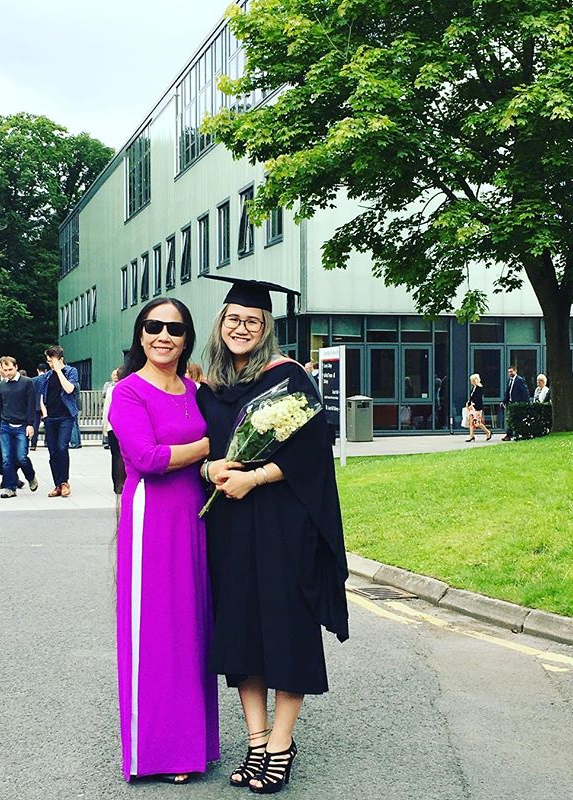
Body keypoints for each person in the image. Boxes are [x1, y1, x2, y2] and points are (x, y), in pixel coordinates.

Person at [197, 276, 349, 794]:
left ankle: (281, 744)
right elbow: (201, 446)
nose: (241, 328)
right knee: (241, 631)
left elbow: (312, 453)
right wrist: (210, 470)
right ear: (221, 323)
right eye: (233, 319)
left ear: (266, 328)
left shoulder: (288, 378)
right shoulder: (211, 387)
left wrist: (255, 477)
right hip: (230, 527)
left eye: (253, 321)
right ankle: (256, 739)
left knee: (285, 628)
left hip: (283, 525)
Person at [108, 298, 219, 784]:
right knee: (155, 629)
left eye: (175, 329)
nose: (163, 337)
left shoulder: (196, 390)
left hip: (195, 518)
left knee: (191, 628)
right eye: (154, 327)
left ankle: (191, 746)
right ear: (140, 334)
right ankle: (158, 752)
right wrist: (207, 446)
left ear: (186, 338)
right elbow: (148, 458)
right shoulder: (128, 392)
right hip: (151, 519)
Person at [0, 356, 38, 498]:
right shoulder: (1, 385)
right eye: (5, 370)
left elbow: (31, 405)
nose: (7, 373)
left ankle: (30, 476)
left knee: (21, 457)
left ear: (16, 367)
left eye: (10, 369)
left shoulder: (27, 383)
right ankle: (10, 487)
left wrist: (30, 424)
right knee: (6, 459)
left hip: (22, 425)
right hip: (5, 425)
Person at [40, 345, 79, 497]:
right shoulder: (47, 376)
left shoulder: (71, 371)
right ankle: (57, 484)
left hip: (66, 416)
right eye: (48, 361)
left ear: (60, 359)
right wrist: (45, 414)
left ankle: (64, 483)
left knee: (62, 447)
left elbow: (69, 389)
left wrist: (58, 370)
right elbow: (42, 395)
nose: (50, 364)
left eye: (52, 361)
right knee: (53, 451)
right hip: (50, 417)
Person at [102, 365, 127, 497]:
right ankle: (126, 482)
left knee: (115, 456)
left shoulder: (111, 390)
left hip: (112, 427)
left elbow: (106, 410)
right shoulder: (130, 389)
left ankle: (117, 484)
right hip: (126, 428)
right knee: (125, 456)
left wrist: (105, 428)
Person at [500, 365, 530, 441]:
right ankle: (510, 435)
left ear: (515, 371)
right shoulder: (509, 380)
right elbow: (508, 392)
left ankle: (520, 434)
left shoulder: (519, 380)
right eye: (509, 372)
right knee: (511, 419)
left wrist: (524, 403)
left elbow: (525, 392)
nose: (510, 373)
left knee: (517, 419)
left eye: (511, 371)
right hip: (511, 403)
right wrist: (504, 401)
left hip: (517, 403)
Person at [464, 373, 492, 442]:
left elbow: (478, 399)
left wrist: (473, 405)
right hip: (472, 408)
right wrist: (468, 403)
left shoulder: (479, 388)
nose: (470, 381)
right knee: (471, 422)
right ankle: (471, 436)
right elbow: (472, 397)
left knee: (477, 423)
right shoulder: (473, 388)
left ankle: (488, 432)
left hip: (477, 408)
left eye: (471, 380)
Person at [30, 364, 47, 450]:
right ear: (46, 370)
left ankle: (33, 444)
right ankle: (47, 442)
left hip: (36, 405)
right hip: (46, 405)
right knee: (48, 424)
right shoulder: (47, 379)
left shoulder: (33, 380)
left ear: (37, 370)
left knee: (35, 425)